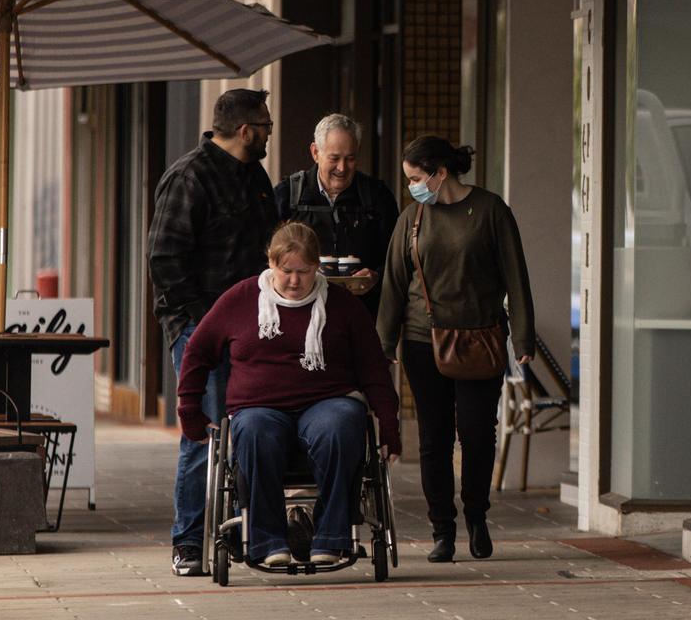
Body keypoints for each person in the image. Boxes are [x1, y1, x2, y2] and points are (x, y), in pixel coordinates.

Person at [177, 222, 400, 566]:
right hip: (259, 406)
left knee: (343, 423)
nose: (295, 281)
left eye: (305, 271)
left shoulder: (342, 305)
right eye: (286, 271)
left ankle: (331, 537)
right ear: (271, 263)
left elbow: (373, 366)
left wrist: (388, 424)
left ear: (318, 268)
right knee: (252, 431)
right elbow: (197, 350)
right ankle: (268, 542)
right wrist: (190, 411)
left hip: (327, 401)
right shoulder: (241, 298)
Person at [377, 136, 534, 563]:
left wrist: (522, 337)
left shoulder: (489, 210)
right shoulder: (412, 217)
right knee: (434, 438)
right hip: (420, 338)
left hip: (479, 337)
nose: (411, 185)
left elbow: (515, 275)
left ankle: (477, 516)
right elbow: (393, 281)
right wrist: (384, 342)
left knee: (479, 434)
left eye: (415, 177)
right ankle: (442, 530)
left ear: (440, 172)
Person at [148, 89, 280, 576]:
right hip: (199, 330)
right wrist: (206, 324)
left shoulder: (256, 178)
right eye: (264, 124)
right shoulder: (190, 177)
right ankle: (188, 543)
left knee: (249, 427)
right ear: (245, 131)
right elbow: (164, 260)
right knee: (205, 432)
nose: (269, 131)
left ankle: (244, 532)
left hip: (256, 330)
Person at [274, 114, 399, 317]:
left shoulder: (377, 195)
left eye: (350, 158)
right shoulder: (287, 195)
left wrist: (376, 276)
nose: (342, 168)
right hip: (301, 313)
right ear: (315, 152)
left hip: (362, 314)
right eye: (334, 158)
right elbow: (266, 257)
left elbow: (397, 256)